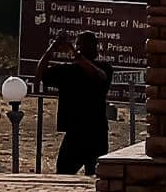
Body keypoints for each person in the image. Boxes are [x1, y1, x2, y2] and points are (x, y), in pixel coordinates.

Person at [34, 30, 112, 175]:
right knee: (63, 175)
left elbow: (99, 76)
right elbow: (40, 74)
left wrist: (74, 53)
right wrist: (53, 48)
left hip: (96, 133)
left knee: (96, 177)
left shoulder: (104, 67)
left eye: (86, 46)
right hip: (74, 133)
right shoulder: (68, 71)